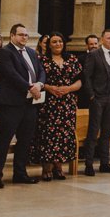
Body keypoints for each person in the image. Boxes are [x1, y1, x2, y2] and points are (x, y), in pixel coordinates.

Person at [0, 23, 46, 188]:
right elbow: (11, 74)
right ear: (12, 35)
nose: (24, 38)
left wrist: (40, 85)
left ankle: (20, 173)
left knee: (25, 139)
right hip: (11, 102)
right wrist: (30, 87)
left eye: (26, 35)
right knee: (5, 139)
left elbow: (41, 71)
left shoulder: (31, 52)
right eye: (21, 35)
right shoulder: (5, 52)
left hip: (30, 102)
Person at [35, 33, 82, 180]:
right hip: (49, 103)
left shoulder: (72, 59)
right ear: (49, 45)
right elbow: (37, 80)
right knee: (48, 134)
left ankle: (59, 166)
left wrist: (69, 88)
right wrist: (49, 88)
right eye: (54, 42)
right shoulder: (42, 60)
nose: (58, 44)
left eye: (60, 41)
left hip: (67, 102)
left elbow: (81, 80)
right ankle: (47, 168)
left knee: (64, 134)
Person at [82, 28, 110, 175]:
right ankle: (89, 164)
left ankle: (104, 163)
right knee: (93, 132)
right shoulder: (94, 54)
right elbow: (87, 77)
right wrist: (92, 96)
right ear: (102, 39)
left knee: (107, 132)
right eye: (108, 38)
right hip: (98, 98)